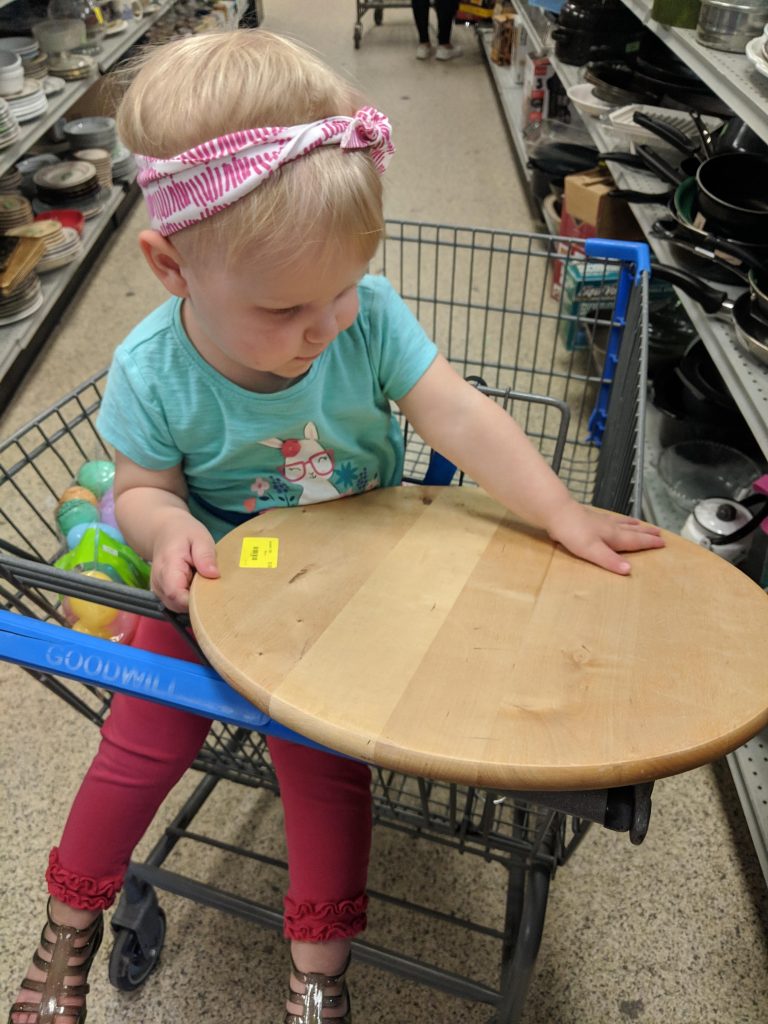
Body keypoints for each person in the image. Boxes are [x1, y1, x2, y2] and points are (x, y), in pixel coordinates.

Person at [8, 27, 664, 1024]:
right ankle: (67, 923)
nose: (326, 324)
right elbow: (137, 487)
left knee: (326, 771)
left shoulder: (368, 317)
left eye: (343, 286)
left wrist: (560, 511)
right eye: (285, 306)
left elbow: (458, 412)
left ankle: (317, 976)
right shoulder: (152, 369)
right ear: (170, 266)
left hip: (355, 582)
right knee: (138, 737)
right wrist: (165, 525)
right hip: (218, 583)